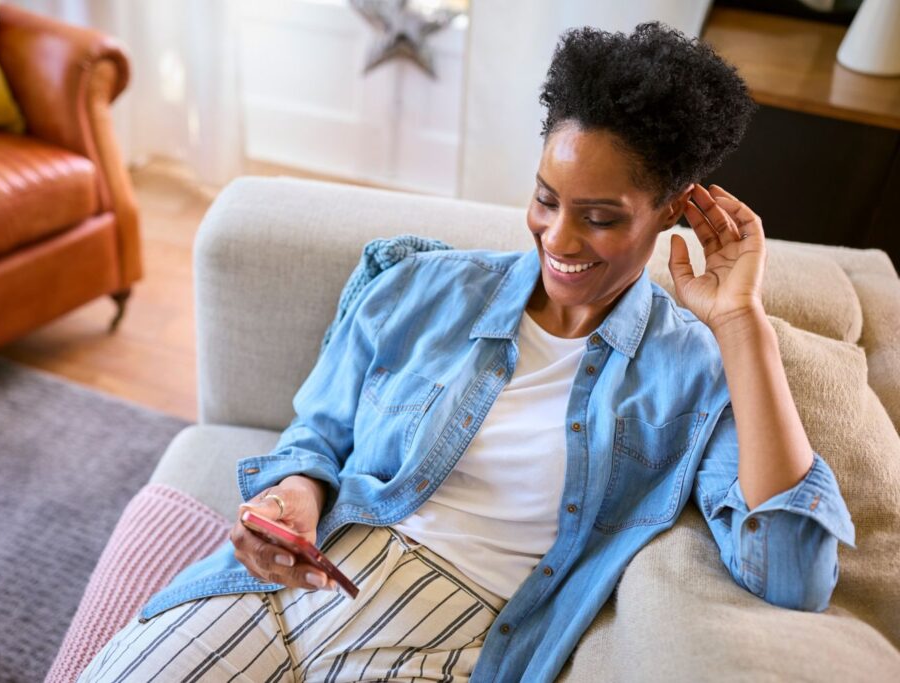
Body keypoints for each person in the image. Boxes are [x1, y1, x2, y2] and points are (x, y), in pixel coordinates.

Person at [80, 21, 854, 683]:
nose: (559, 238)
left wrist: (744, 322)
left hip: (449, 632)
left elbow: (790, 572)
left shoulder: (696, 372)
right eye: (547, 199)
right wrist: (295, 496)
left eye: (601, 217)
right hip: (302, 578)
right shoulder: (419, 286)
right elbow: (315, 438)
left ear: (672, 210)